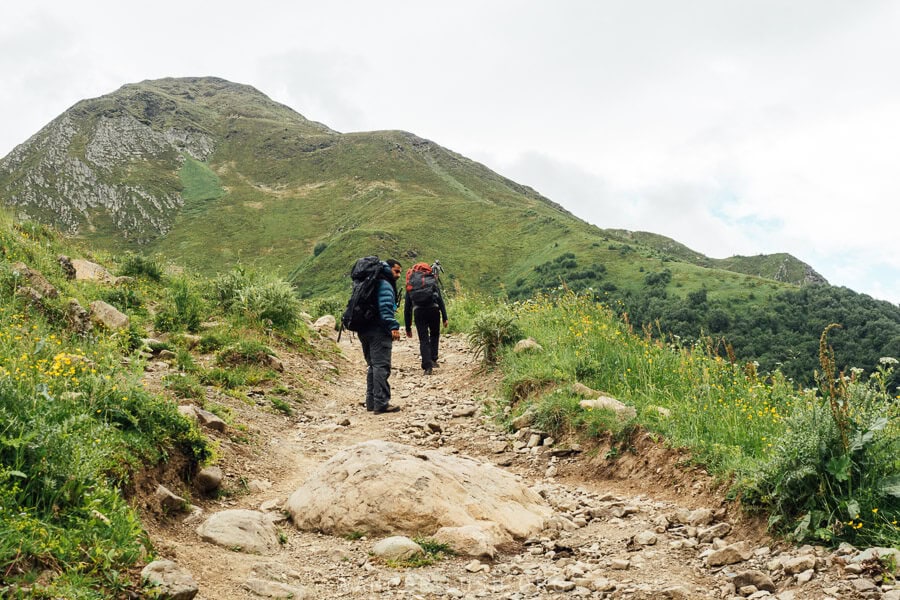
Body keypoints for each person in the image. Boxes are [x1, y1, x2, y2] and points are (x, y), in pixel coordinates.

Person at [359, 259, 403, 413]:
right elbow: (385, 307)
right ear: (388, 268)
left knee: (373, 365)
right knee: (381, 366)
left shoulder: (372, 281)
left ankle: (371, 402)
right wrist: (393, 326)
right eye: (396, 271)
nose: (398, 275)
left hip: (363, 329)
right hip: (378, 329)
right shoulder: (384, 284)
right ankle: (381, 403)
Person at [404, 268, 448, 375]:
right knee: (434, 334)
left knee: (423, 339)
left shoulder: (411, 283)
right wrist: (444, 317)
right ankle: (433, 359)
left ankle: (427, 367)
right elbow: (440, 300)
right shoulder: (431, 280)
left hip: (419, 312)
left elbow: (407, 308)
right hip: (434, 310)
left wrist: (408, 327)